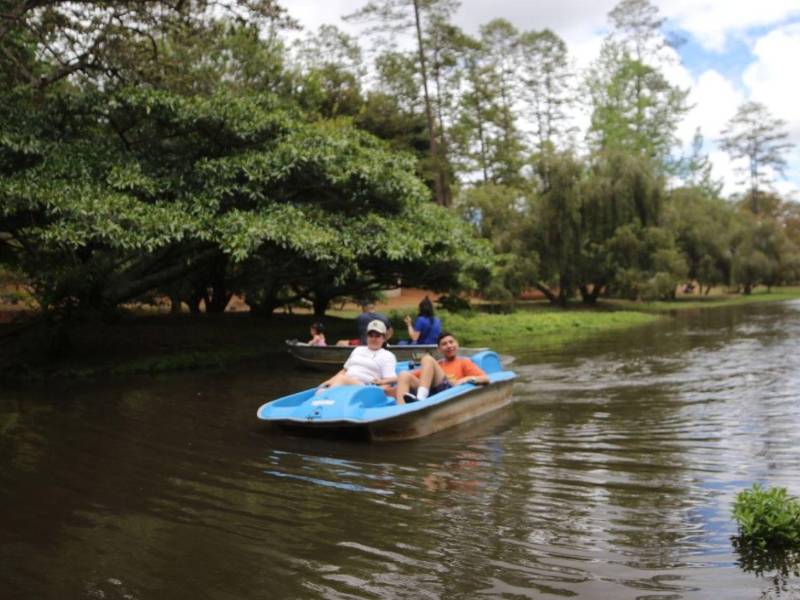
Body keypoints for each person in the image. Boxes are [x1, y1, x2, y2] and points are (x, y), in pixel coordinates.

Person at [395, 331, 488, 404]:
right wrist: (383, 382)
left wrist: (467, 379)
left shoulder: (464, 362)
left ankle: (420, 397)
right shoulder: (437, 364)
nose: (449, 346)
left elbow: (485, 378)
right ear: (439, 349)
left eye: (451, 342)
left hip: (449, 392)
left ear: (457, 344)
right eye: (444, 344)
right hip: (432, 392)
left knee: (427, 358)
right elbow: (412, 374)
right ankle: (401, 410)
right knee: (403, 375)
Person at [317, 320, 397, 392]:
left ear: (383, 338)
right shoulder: (358, 350)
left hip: (365, 388)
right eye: (371, 335)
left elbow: (389, 381)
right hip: (346, 384)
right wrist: (330, 381)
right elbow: (344, 371)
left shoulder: (387, 356)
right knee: (320, 390)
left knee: (340, 379)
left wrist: (376, 393)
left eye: (377, 336)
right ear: (367, 337)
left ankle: (327, 399)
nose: (373, 338)